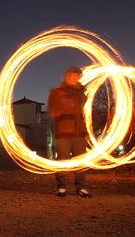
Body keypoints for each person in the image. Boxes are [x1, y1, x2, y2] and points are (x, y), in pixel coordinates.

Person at [48, 67, 92, 198]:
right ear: (66, 77)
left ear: (79, 77)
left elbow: (83, 114)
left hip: (79, 133)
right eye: (71, 75)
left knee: (81, 161)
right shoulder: (57, 92)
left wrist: (86, 129)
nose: (73, 78)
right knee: (63, 160)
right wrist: (65, 108)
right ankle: (61, 187)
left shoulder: (83, 94)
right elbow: (52, 110)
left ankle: (81, 188)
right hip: (63, 133)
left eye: (76, 76)